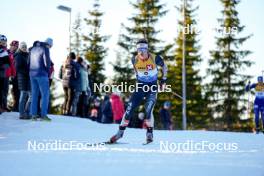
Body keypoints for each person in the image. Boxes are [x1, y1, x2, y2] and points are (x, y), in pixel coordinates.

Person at [109, 38, 168, 144]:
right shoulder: (134, 59)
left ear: (147, 49)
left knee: (148, 110)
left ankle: (149, 133)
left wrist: (163, 81)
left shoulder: (155, 58)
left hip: (152, 87)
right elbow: (136, 71)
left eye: (143, 49)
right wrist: (139, 80)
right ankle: (120, 133)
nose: (141, 52)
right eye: (139, 49)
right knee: (129, 109)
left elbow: (165, 67)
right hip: (140, 86)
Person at [29, 38, 53, 121]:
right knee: (45, 95)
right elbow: (47, 62)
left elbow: (28, 62)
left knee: (34, 94)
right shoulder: (45, 48)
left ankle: (33, 115)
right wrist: (47, 71)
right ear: (50, 44)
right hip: (42, 74)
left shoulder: (33, 48)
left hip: (32, 73)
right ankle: (43, 115)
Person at [15, 42, 31, 119]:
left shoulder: (27, 55)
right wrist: (27, 72)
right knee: (23, 96)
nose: (24, 48)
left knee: (30, 96)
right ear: (20, 48)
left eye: (25, 47)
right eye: (23, 47)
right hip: (22, 78)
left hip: (27, 78)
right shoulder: (18, 56)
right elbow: (18, 68)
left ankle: (26, 111)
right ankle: (21, 113)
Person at [8, 40, 19, 112]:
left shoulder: (17, 54)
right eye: (14, 46)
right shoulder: (7, 53)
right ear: (11, 45)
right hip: (6, 74)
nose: (15, 47)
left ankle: (15, 107)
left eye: (16, 46)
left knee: (16, 92)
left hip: (15, 76)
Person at [0, 34, 10, 114]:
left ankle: (2, 106)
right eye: (2, 41)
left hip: (3, 73)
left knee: (3, 91)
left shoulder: (4, 50)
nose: (3, 43)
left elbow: (8, 63)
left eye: (4, 41)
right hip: (1, 72)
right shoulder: (2, 51)